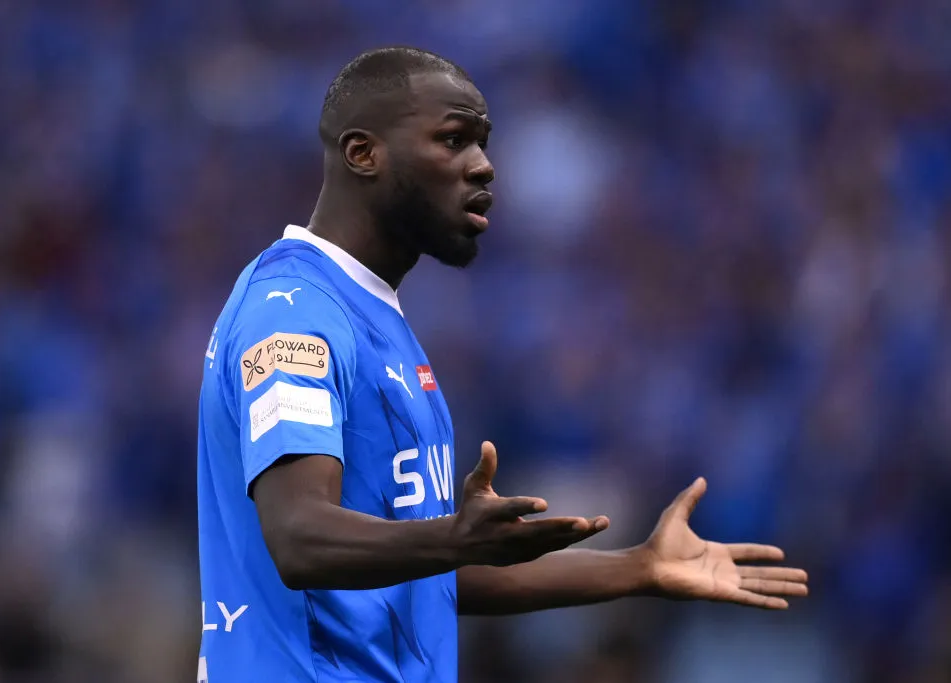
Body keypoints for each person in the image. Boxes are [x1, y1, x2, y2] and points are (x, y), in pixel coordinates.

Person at [195, 46, 808, 683]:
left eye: (483, 144)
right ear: (362, 153)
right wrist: (455, 539)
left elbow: (419, 573)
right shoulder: (295, 313)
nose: (484, 166)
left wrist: (640, 567)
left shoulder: (372, 315)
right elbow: (300, 538)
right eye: (453, 139)